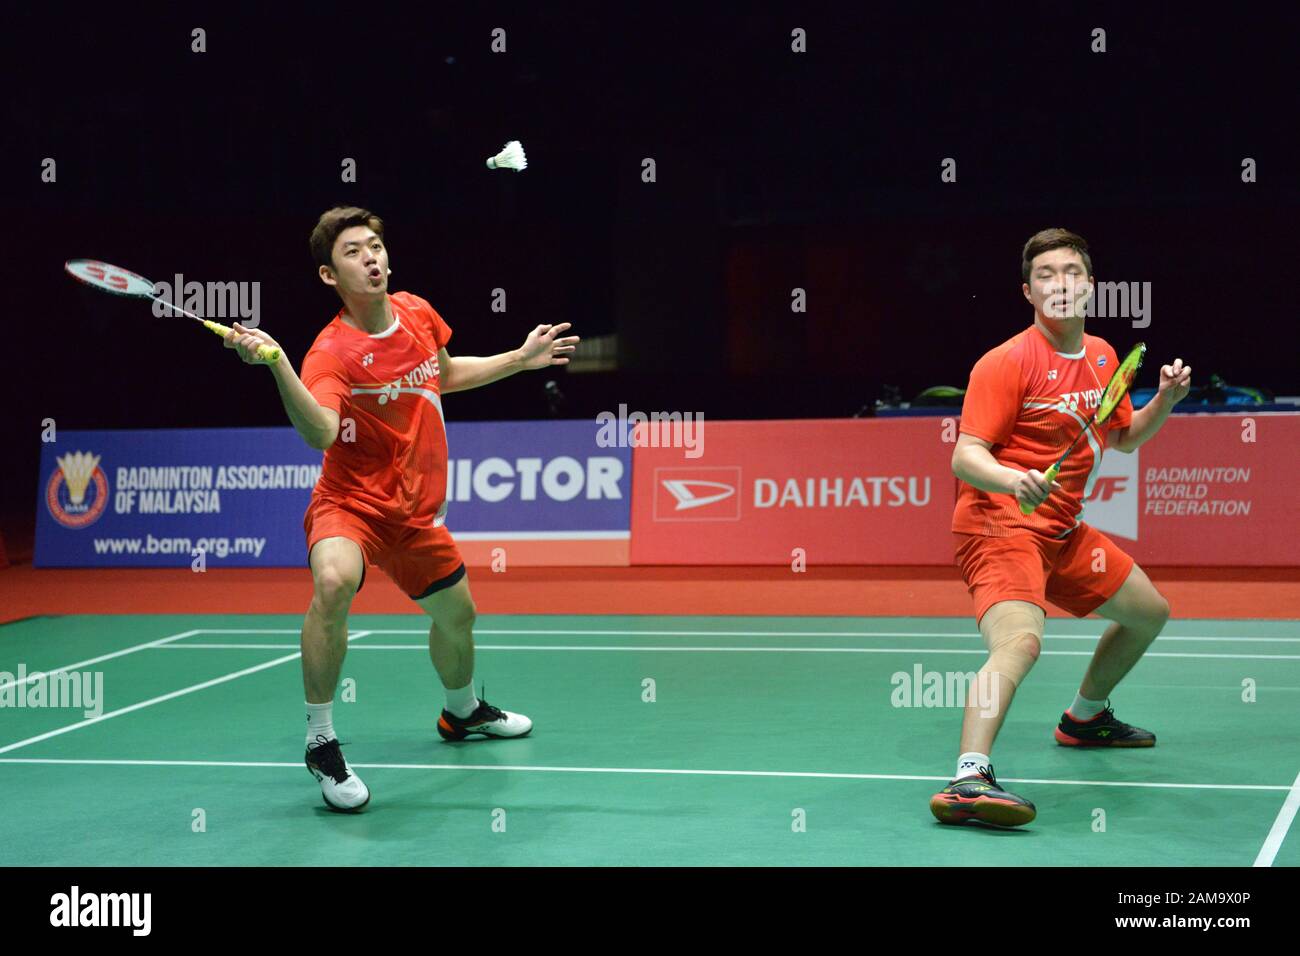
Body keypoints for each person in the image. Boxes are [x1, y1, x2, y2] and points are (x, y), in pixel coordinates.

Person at [224, 206, 580, 812]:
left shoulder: (416, 313)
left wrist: (519, 360)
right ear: (329, 276)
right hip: (351, 505)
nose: (371, 258)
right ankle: (320, 739)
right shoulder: (330, 353)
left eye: (375, 246)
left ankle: (461, 713)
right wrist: (278, 364)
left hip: (416, 515)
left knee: (458, 618)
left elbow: (443, 375)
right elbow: (320, 433)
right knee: (334, 581)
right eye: (353, 252)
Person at [932, 227, 1191, 827]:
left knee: (1148, 611)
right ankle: (969, 776)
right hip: (998, 525)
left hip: (1061, 531)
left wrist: (1165, 403)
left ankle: (1084, 718)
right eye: (1046, 274)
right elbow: (965, 455)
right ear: (1029, 291)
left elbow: (1122, 438)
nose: (1060, 283)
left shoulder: (1103, 356)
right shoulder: (1006, 361)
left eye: (1071, 272)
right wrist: (1009, 479)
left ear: (1090, 287)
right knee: (1019, 642)